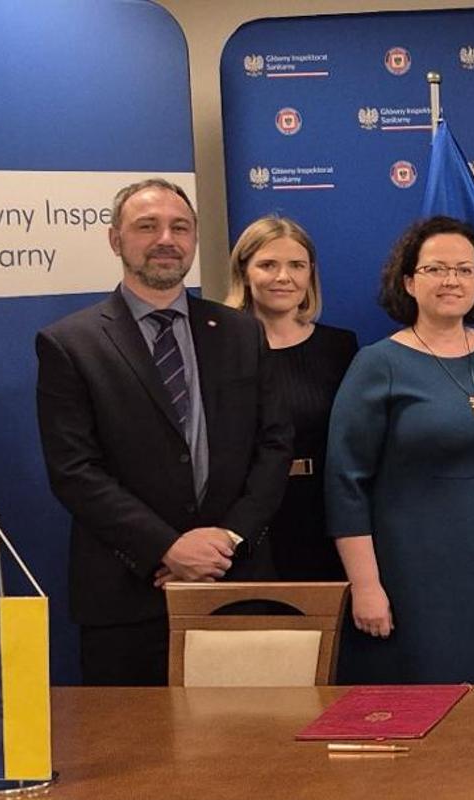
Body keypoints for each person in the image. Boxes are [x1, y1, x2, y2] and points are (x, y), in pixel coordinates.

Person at [35, 178, 291, 685]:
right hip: (127, 595)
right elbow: (74, 471)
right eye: (146, 226)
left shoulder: (241, 331)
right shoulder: (70, 343)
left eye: (180, 227)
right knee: (132, 758)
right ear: (115, 240)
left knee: (247, 750)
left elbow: (274, 444)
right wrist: (167, 548)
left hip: (233, 580)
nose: (166, 239)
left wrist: (226, 538)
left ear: (195, 238)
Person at [325, 216, 474, 684]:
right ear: (408, 281)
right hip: (414, 570)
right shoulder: (377, 363)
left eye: (464, 270)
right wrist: (365, 586)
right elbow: (346, 483)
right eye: (436, 269)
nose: (451, 280)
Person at [224, 214, 358, 581]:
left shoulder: (340, 347)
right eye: (268, 264)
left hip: (324, 517)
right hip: (243, 521)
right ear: (244, 271)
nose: (284, 277)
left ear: (310, 274)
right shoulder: (216, 347)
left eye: (296, 265)